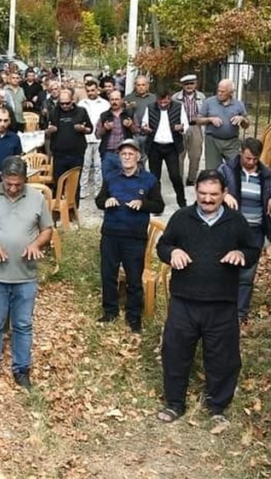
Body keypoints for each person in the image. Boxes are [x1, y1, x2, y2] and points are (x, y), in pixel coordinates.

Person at [155, 169, 258, 425]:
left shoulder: (236, 221)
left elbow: (252, 249)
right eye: (202, 193)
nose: (207, 199)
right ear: (196, 192)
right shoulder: (182, 217)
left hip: (221, 304)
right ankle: (174, 403)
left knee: (223, 358)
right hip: (184, 301)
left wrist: (241, 254)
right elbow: (163, 245)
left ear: (224, 193)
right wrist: (173, 252)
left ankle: (217, 407)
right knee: (175, 353)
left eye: (213, 194)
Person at [0, 156, 53, 391]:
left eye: (18, 184)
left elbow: (47, 230)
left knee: (23, 324)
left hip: (25, 274)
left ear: (25, 179)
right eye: (9, 183)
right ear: (2, 177)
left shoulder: (36, 198)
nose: (14, 188)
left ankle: (22, 370)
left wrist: (36, 244)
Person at [95, 140, 164, 332]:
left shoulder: (149, 179)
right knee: (108, 275)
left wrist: (143, 204)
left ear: (138, 157)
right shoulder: (111, 177)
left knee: (134, 278)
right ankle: (110, 312)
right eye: (123, 154)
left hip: (134, 236)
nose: (126, 157)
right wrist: (107, 200)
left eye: (130, 154)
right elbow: (98, 200)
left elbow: (159, 205)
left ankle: (134, 316)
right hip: (111, 234)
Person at [217, 137, 271, 323]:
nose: (251, 162)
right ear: (241, 152)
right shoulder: (226, 170)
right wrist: (224, 195)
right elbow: (210, 188)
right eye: (247, 158)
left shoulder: (266, 175)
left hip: (255, 231)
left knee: (247, 275)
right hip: (230, 229)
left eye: (255, 159)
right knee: (225, 270)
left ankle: (240, 314)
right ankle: (221, 309)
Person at [197, 79, 249, 169]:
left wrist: (242, 119)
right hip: (213, 142)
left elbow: (246, 125)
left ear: (231, 92)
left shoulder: (238, 104)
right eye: (218, 91)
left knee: (235, 169)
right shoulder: (209, 102)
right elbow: (198, 120)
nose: (219, 93)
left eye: (223, 91)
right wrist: (210, 119)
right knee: (212, 171)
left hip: (232, 143)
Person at [77, 80, 110, 199]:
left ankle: (98, 191)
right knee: (84, 166)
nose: (91, 93)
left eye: (93, 90)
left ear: (97, 90)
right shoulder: (81, 104)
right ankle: (82, 190)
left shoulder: (105, 104)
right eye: (88, 91)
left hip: (100, 139)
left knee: (98, 166)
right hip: (84, 138)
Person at [96, 90, 137, 182]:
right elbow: (97, 134)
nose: (114, 102)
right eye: (112, 99)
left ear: (121, 100)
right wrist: (105, 128)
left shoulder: (129, 114)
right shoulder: (104, 116)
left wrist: (130, 125)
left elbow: (138, 131)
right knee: (107, 181)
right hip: (108, 154)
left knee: (126, 181)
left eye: (117, 99)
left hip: (125, 154)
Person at [173, 74, 206, 186]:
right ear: (182, 85)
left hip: (196, 127)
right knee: (179, 155)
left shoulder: (201, 97)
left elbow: (205, 113)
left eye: (191, 83)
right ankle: (178, 178)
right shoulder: (176, 97)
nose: (189, 86)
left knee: (195, 155)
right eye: (186, 84)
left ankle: (191, 178)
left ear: (196, 84)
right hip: (181, 127)